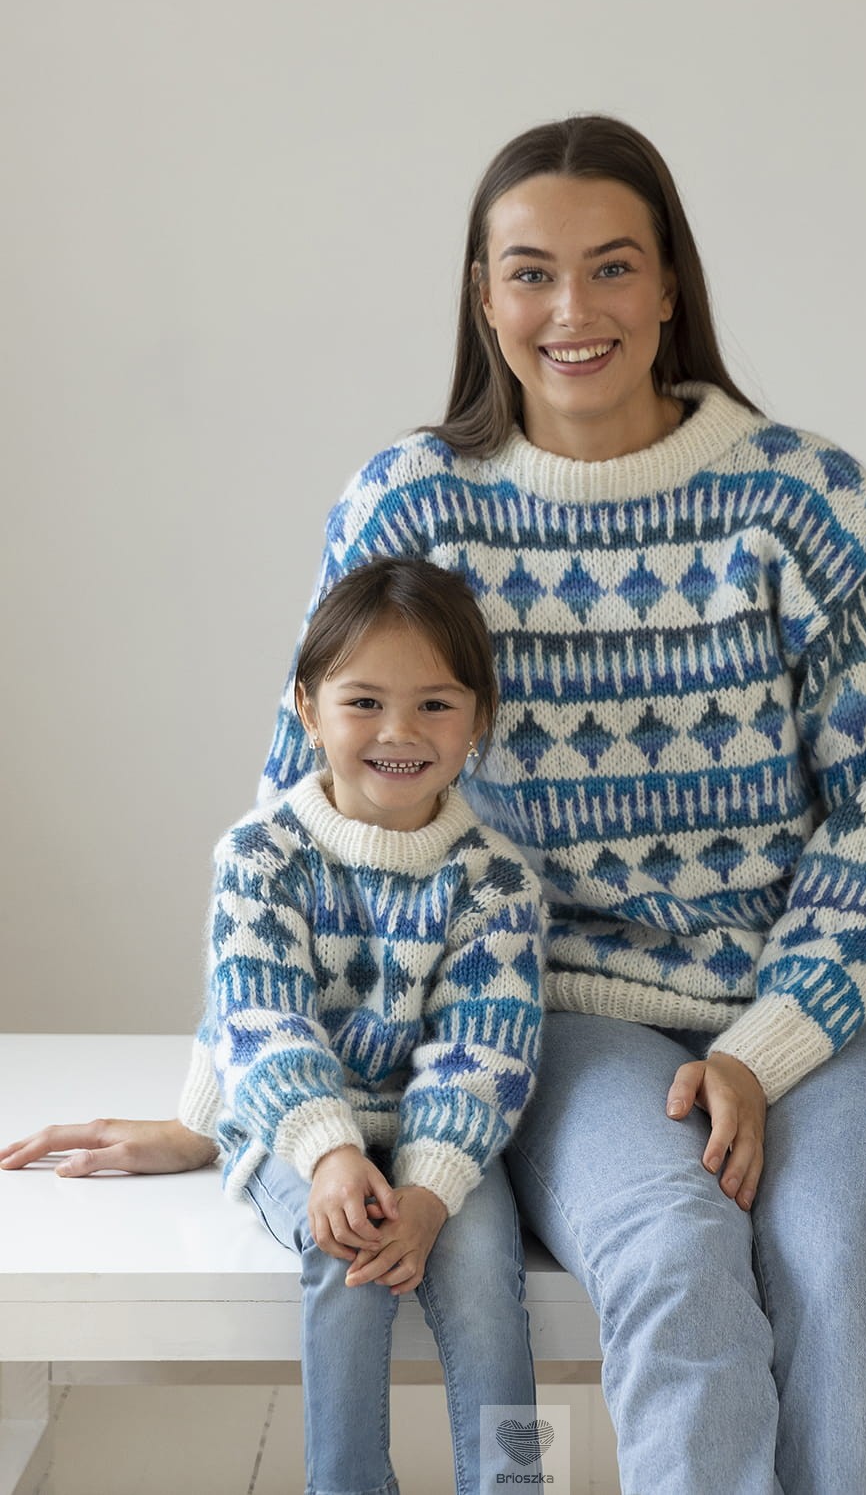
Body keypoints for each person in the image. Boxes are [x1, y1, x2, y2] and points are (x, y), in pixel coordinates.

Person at [2, 115, 866, 1495]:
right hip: (569, 1015)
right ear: (481, 295)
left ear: (670, 285)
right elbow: (302, 818)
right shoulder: (413, 506)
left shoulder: (813, 506)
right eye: (529, 273)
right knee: (676, 1257)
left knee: (842, 1271)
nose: (572, 311)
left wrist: (761, 1048)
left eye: (612, 266)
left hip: (836, 1009)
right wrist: (225, 1102)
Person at [196, 555, 543, 1495]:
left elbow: (486, 1051)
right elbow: (261, 1022)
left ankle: (513, 1483)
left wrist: (429, 1189)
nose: (399, 731)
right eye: (364, 703)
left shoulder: (494, 882)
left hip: (442, 1142)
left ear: (479, 718)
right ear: (308, 709)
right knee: (341, 1247)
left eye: (435, 704)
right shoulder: (261, 859)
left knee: (485, 1275)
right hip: (298, 1135)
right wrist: (329, 1153)